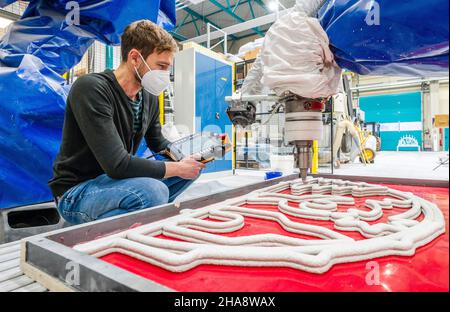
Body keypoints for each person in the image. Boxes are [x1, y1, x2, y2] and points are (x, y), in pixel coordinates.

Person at [48, 20, 205, 225]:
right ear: (135, 58)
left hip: (116, 183)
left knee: (191, 170)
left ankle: (143, 217)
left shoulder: (148, 97)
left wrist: (186, 157)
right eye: (161, 66)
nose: (165, 74)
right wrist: (177, 168)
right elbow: (117, 165)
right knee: (153, 191)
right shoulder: (91, 89)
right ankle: (99, 237)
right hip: (78, 191)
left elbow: (158, 142)